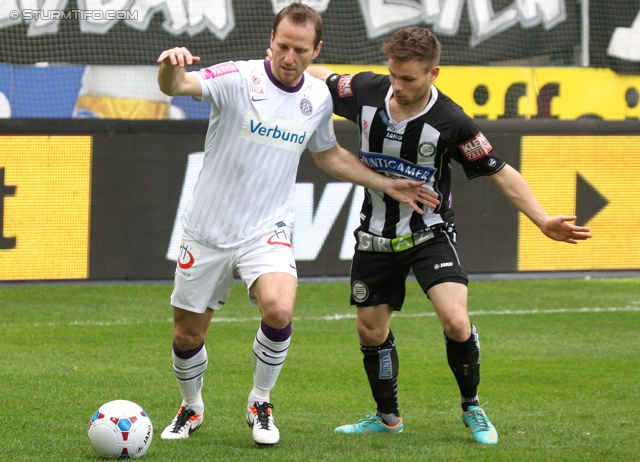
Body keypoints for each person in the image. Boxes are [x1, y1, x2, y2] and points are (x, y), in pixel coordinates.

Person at [155, 4, 439, 448]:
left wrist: (387, 184)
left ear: (316, 50)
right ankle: (191, 406)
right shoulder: (237, 78)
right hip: (206, 231)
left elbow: (327, 154)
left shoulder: (318, 97)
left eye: (300, 50)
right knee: (187, 333)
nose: (289, 57)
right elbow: (181, 85)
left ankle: (260, 400)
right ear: (271, 39)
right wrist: (170, 70)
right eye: (283, 46)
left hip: (266, 230)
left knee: (280, 309)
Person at [306, 26, 592, 445]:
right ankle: (387, 418)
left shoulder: (451, 120)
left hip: (430, 232)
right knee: (370, 330)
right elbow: (322, 77)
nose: (397, 86)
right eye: (393, 74)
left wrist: (542, 219)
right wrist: (278, 67)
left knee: (456, 321)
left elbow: (499, 171)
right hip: (374, 234)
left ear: (433, 73)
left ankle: (472, 405)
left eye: (409, 79)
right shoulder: (368, 90)